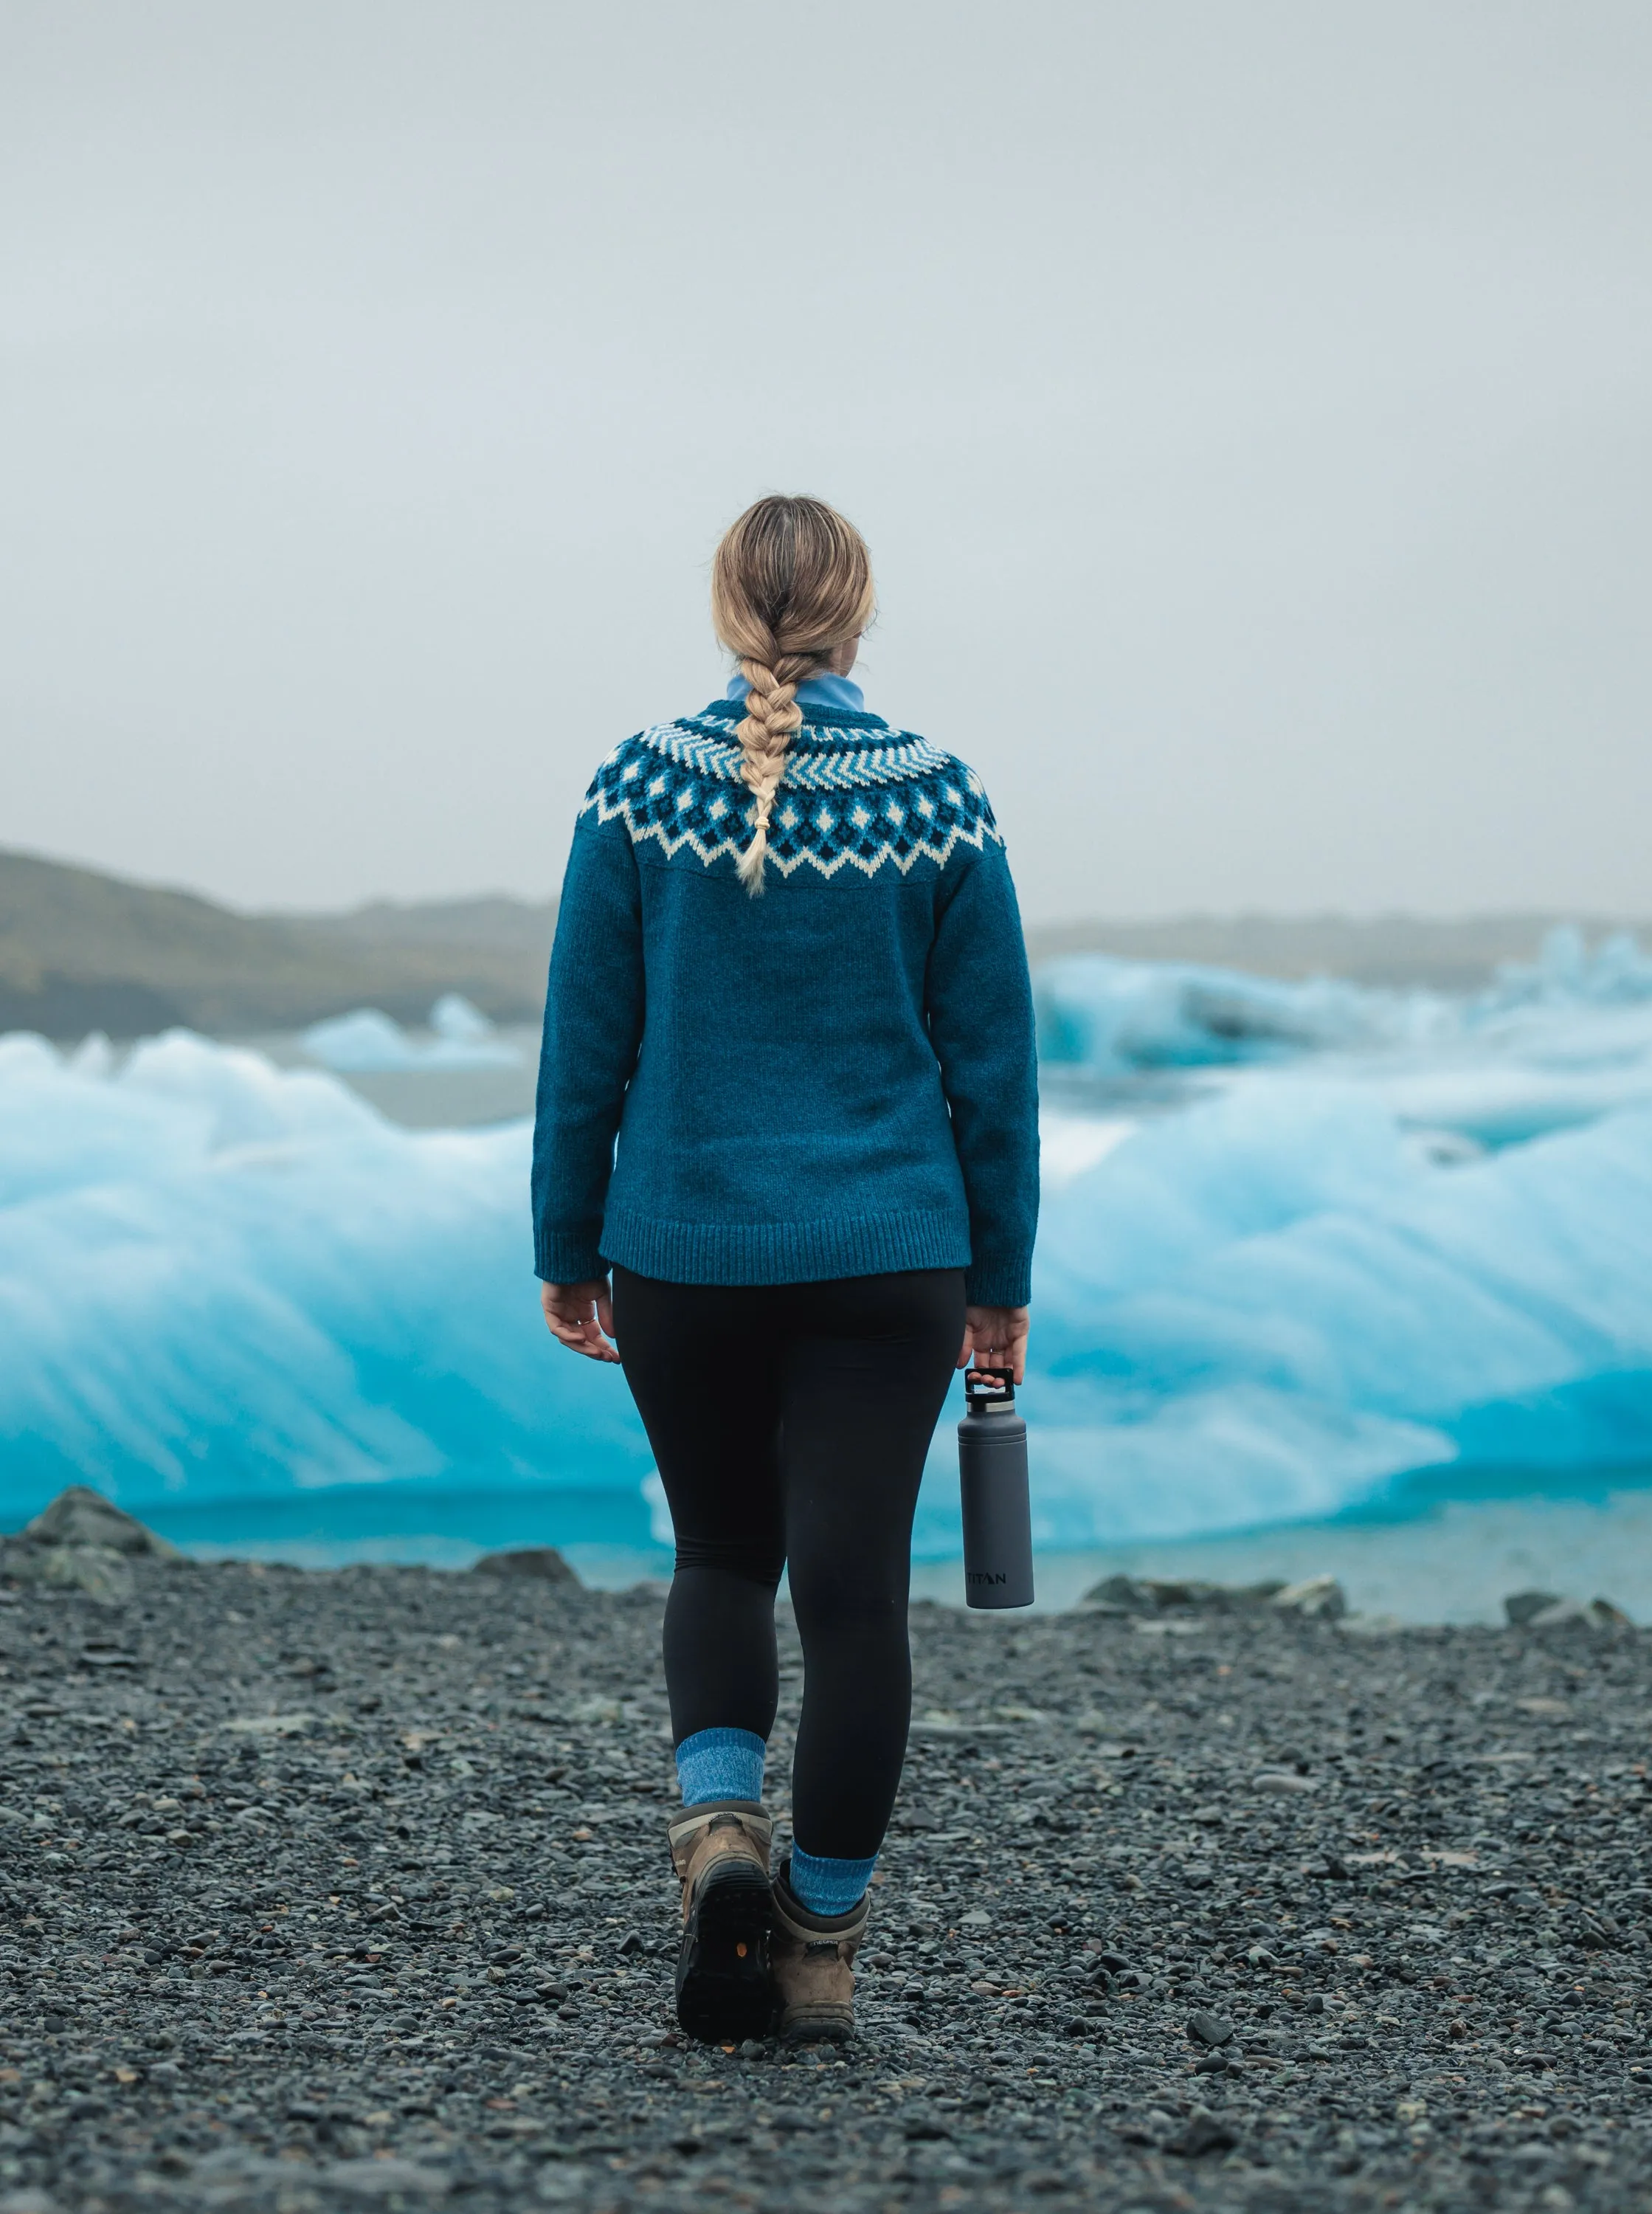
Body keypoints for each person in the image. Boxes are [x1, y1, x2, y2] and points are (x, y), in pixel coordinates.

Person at [529, 495, 1040, 2045]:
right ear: (857, 614)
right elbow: (993, 1069)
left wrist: (567, 1242)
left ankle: (721, 1834)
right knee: (858, 1605)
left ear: (726, 610)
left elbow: (585, 1042)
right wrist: (998, 1277)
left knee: (720, 1558)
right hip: (890, 1256)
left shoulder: (637, 788)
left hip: (684, 1249)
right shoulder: (939, 799)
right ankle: (816, 1944)